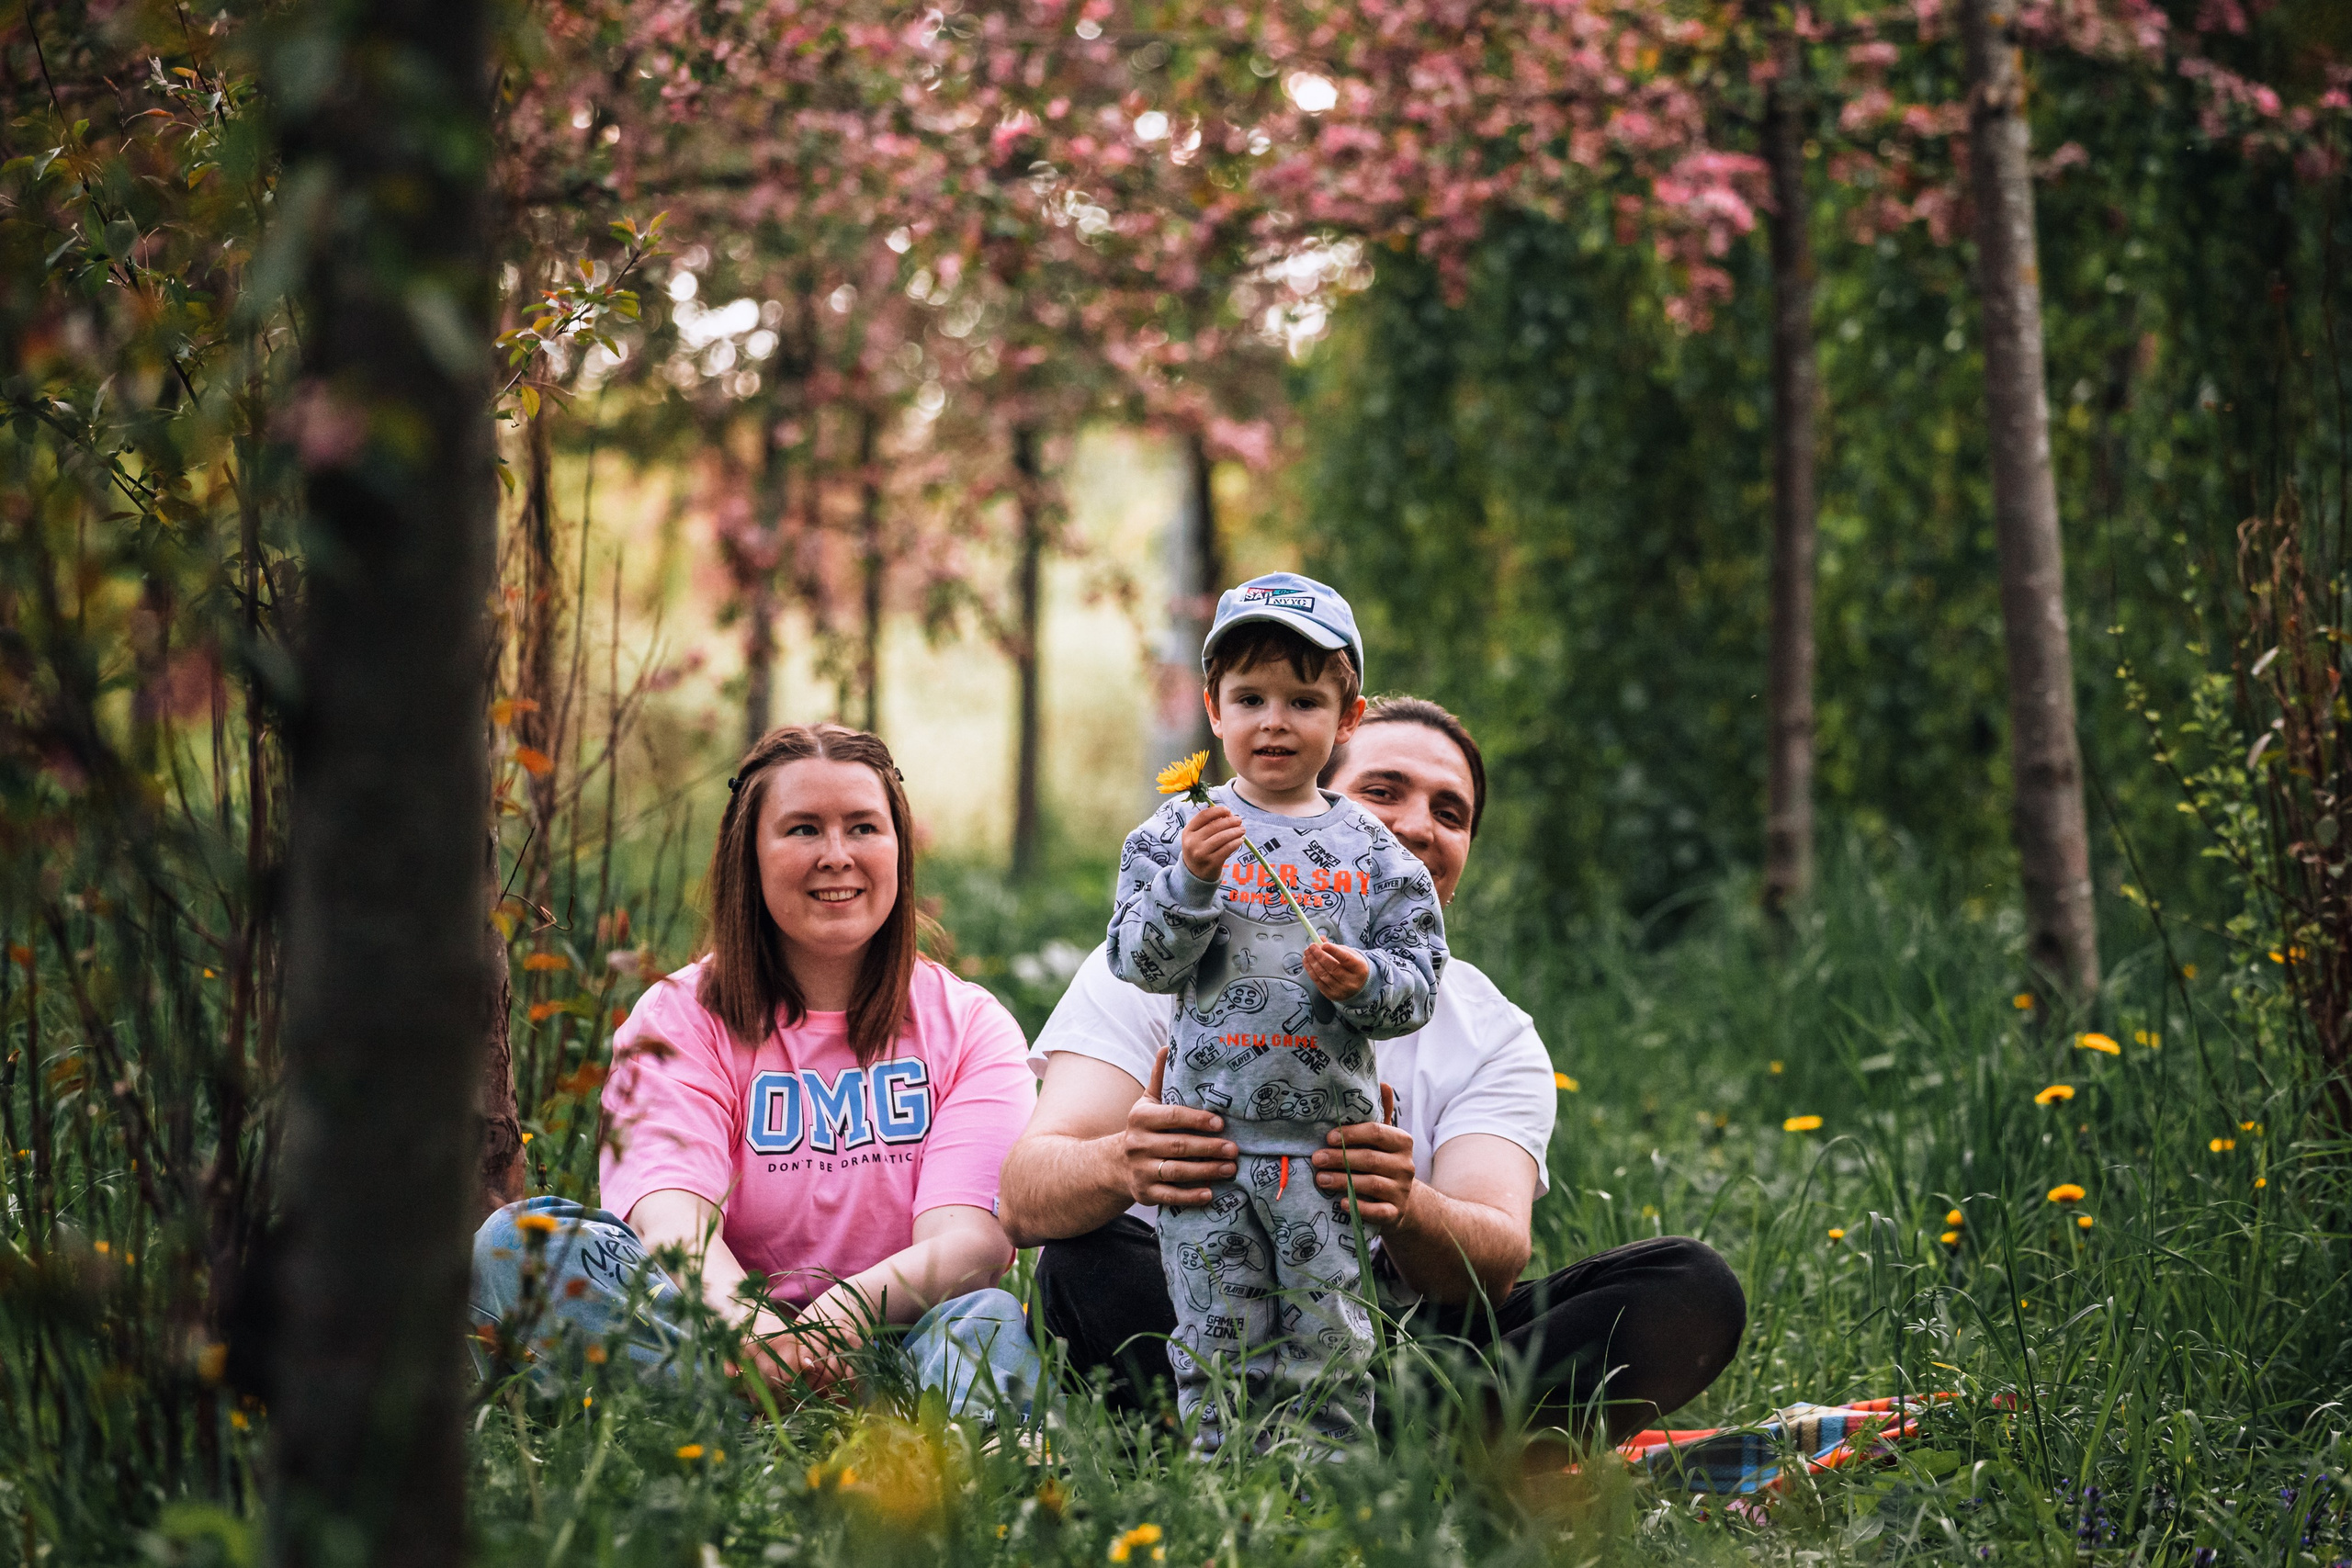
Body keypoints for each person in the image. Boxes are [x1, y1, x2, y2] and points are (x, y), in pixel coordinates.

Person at [1000, 695, 1747, 1443]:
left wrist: (1404, 1201)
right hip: (1198, 1316)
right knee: (1080, 1260)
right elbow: (1027, 1199)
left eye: (1451, 813)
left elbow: (1490, 1267)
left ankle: (1369, 1436)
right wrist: (1125, 1162)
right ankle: (1376, 1447)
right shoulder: (1165, 955)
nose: (1419, 824)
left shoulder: (1494, 1034)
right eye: (1384, 791)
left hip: (1403, 1347)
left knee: (1690, 1287)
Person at [470, 724, 1041, 1415]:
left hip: (898, 1344)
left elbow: (965, 1242)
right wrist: (750, 1329)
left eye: (863, 826)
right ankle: (778, 1426)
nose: (837, 855)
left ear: (897, 847)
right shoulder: (677, 1018)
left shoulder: (972, 1025)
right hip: (707, 1335)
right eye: (803, 829)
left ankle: (914, 1459)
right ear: (751, 853)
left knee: (982, 1321)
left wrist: (847, 1312)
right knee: (517, 1248)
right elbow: (673, 1223)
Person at [1104, 572, 1446, 1452]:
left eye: (1304, 699)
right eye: (1249, 697)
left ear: (1348, 716)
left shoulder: (1376, 852)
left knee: (1328, 1349)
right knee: (1216, 1352)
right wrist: (1189, 881)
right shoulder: (1174, 834)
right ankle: (1227, 1510)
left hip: (1323, 1163)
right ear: (1213, 711)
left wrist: (1365, 980)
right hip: (1209, 1156)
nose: (1275, 721)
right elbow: (1138, 962)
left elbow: (1419, 984)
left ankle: (1324, 1507)